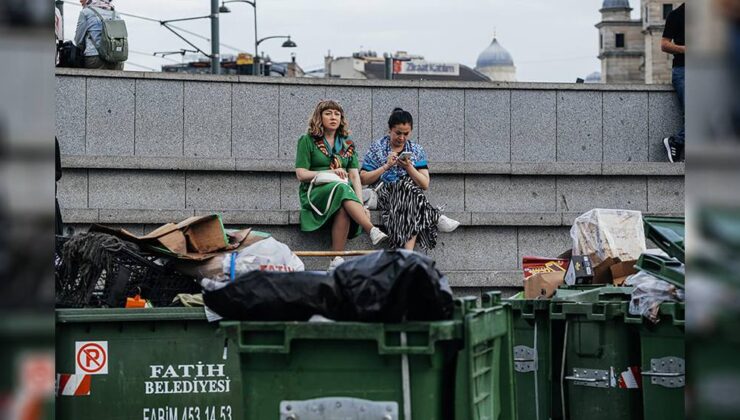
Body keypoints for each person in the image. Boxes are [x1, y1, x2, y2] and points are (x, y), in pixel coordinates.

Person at [295, 100, 388, 269]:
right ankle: (371, 229)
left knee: (344, 203)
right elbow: (301, 174)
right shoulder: (306, 140)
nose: (333, 117)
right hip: (315, 190)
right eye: (328, 113)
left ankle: (336, 259)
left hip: (342, 191)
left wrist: (360, 204)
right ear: (319, 116)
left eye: (337, 114)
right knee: (342, 189)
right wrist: (329, 173)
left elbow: (354, 175)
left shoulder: (348, 144)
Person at [360, 108, 459, 251]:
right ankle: (433, 216)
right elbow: (363, 179)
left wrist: (409, 168)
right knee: (405, 190)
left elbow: (424, 184)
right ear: (390, 130)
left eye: (406, 134)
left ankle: (407, 254)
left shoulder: (416, 150)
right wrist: (386, 166)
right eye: (398, 133)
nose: (401, 138)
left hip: (409, 196)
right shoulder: (378, 148)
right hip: (384, 192)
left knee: (407, 196)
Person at [662, 3, 686, 162]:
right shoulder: (676, 15)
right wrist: (685, 49)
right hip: (684, 70)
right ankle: (676, 142)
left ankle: (677, 141)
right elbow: (664, 44)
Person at [74, 0, 124, 70]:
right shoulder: (116, 14)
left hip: (94, 57)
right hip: (116, 57)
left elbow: (78, 40)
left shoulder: (86, 12)